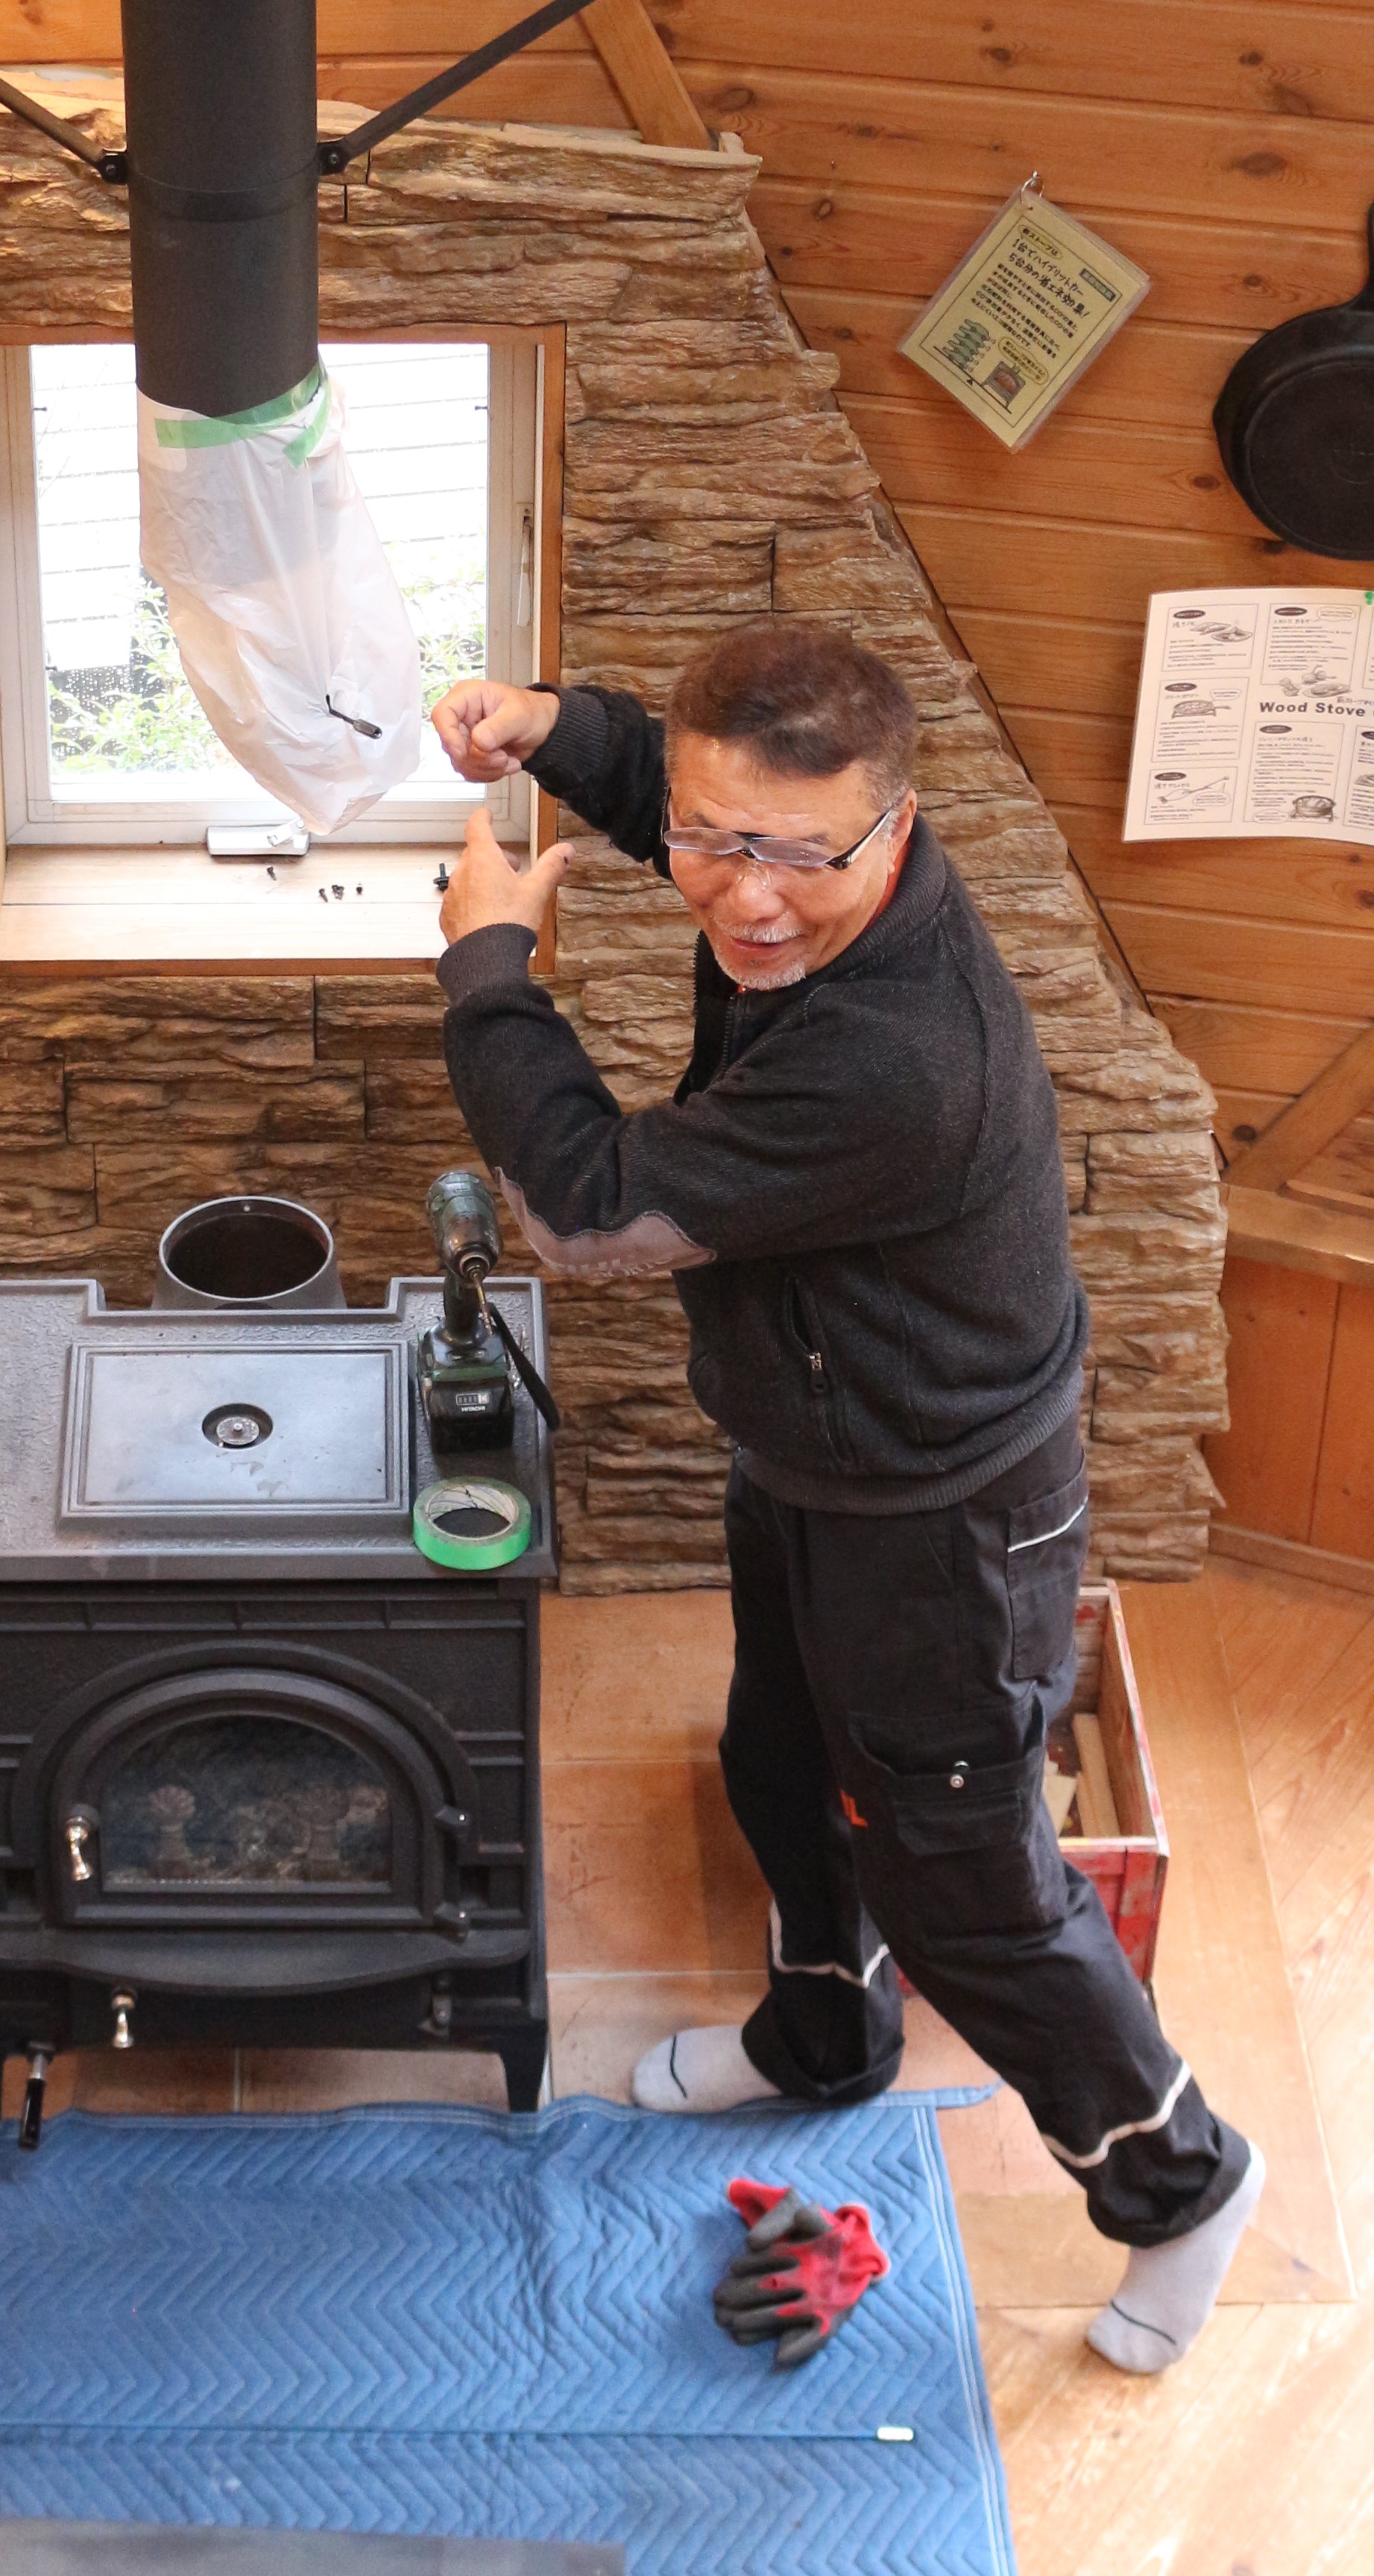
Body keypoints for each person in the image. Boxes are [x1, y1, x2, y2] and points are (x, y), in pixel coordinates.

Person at [426, 622, 1261, 2375]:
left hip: (947, 1515)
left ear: (897, 827)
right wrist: (552, 727)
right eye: (715, 842)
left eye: (801, 856)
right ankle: (822, 2040)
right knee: (782, 1763)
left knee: (968, 1885)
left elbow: (588, 1216)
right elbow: (684, 788)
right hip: (819, 1445)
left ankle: (1178, 2178)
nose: (748, 898)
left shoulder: (897, 1054)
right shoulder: (778, 862)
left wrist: (490, 969)